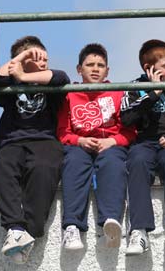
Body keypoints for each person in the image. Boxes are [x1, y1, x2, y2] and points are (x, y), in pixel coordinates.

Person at [0, 36, 70, 264]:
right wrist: (21, 58)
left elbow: (61, 77)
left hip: (45, 140)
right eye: (37, 58)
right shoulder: (10, 85)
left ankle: (30, 231)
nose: (44, 61)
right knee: (4, 165)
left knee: (43, 169)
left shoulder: (50, 83)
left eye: (45, 57)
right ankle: (15, 228)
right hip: (12, 141)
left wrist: (24, 75)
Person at [57, 43, 136, 250]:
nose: (95, 69)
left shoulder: (117, 93)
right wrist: (79, 141)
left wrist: (112, 141)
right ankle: (72, 226)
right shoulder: (69, 95)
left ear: (107, 70)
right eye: (89, 64)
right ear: (79, 69)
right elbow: (62, 132)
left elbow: (130, 131)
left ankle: (111, 221)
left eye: (100, 65)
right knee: (73, 162)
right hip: (79, 145)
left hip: (110, 144)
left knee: (113, 162)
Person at [120, 39, 165, 257]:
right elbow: (126, 118)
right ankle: (139, 231)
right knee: (137, 161)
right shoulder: (135, 87)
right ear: (149, 69)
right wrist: (154, 93)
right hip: (144, 143)